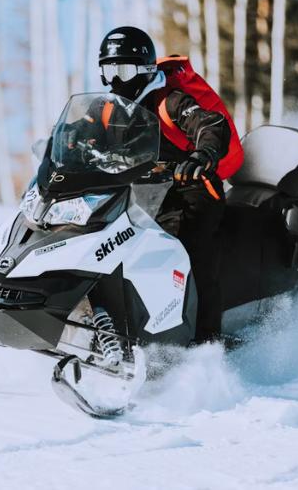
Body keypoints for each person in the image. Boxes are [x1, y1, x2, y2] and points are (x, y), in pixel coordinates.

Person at [96, 25, 244, 343]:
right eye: (109, 70)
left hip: (192, 191)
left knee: (188, 253)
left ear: (145, 70)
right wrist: (64, 145)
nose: (117, 80)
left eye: (123, 69)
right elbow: (84, 131)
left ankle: (205, 341)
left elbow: (209, 123)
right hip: (141, 196)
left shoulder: (170, 100)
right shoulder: (111, 110)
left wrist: (203, 152)